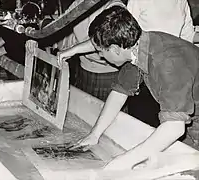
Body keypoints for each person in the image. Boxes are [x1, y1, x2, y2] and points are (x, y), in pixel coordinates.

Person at [65, 6, 199, 170]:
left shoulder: (166, 61)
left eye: (101, 52)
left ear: (115, 49)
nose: (100, 56)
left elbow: (174, 128)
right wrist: (94, 134)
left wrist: (124, 160)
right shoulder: (139, 47)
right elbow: (119, 92)